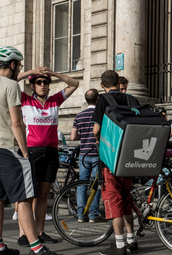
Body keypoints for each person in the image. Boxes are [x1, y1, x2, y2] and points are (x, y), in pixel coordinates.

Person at [0, 46, 58, 255]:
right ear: (13, 65)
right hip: (8, 148)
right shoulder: (10, 86)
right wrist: (24, 151)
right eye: (19, 66)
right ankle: (37, 247)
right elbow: (17, 123)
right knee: (24, 198)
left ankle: (0, 245)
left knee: (0, 199)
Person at [16, 67, 79, 246]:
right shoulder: (26, 100)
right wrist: (32, 71)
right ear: (32, 86)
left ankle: (40, 231)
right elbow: (9, 82)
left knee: (44, 194)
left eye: (45, 82)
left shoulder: (54, 101)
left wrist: (55, 74)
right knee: (28, 194)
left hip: (51, 151)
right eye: (38, 82)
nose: (43, 85)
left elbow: (74, 83)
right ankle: (23, 234)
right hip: (32, 150)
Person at [92, 70, 139, 255]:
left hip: (110, 160)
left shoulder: (102, 101)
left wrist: (99, 140)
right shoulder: (131, 99)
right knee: (126, 199)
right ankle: (131, 240)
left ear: (102, 85)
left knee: (114, 201)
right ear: (119, 82)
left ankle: (119, 246)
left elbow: (96, 129)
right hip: (129, 158)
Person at [71, 88, 102, 223]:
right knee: (96, 184)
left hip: (83, 153)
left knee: (82, 184)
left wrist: (82, 136)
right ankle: (93, 214)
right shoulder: (100, 114)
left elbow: (73, 137)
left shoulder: (79, 115)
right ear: (98, 99)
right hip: (97, 153)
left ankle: (80, 214)